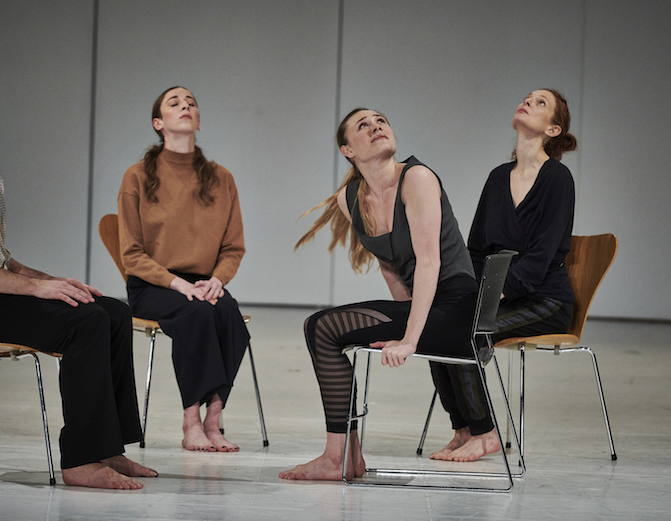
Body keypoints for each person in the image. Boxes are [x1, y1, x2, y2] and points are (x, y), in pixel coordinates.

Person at [0, 55, 157, 490]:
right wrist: (38, 289)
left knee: (110, 311)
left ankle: (108, 447)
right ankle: (79, 461)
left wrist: (56, 282)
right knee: (85, 323)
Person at [279, 108, 480, 481]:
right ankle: (345, 457)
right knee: (320, 327)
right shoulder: (350, 198)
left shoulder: (416, 178)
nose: (376, 127)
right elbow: (389, 265)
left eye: (381, 121)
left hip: (457, 302)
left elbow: (429, 263)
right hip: (425, 303)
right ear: (347, 150)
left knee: (321, 327)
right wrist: (401, 316)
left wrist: (409, 338)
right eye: (363, 126)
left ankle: (337, 458)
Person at [429, 89, 577, 462]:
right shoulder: (498, 177)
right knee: (436, 327)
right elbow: (475, 249)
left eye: (540, 103)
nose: (528, 101)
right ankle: (463, 429)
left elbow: (541, 258)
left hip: (546, 299)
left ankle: (485, 432)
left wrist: (492, 295)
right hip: (497, 294)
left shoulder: (558, 179)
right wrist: (466, 290)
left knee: (466, 331)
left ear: (553, 129)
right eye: (528, 97)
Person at [118, 86, 248, 453]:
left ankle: (213, 419)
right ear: (159, 123)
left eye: (191, 102)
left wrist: (218, 281)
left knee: (229, 316)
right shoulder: (137, 176)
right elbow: (131, 253)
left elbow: (233, 247)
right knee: (197, 316)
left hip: (205, 283)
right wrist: (177, 284)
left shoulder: (222, 178)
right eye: (175, 103)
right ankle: (190, 420)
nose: (185, 106)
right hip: (152, 284)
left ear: (199, 122)